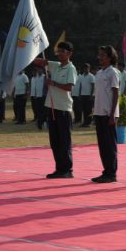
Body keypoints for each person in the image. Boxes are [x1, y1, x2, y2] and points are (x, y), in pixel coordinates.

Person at [34, 42, 77, 178]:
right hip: (52, 107)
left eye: (63, 51)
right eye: (58, 51)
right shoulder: (55, 65)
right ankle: (59, 169)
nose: (59, 54)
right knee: (55, 141)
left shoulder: (71, 68)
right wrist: (30, 49)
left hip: (63, 108)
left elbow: (69, 87)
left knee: (64, 141)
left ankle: (67, 170)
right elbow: (39, 61)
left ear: (70, 53)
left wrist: (52, 83)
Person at [91, 45, 121, 183]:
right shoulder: (99, 73)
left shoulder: (112, 72)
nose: (100, 57)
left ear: (110, 57)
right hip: (98, 113)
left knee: (109, 145)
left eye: (103, 55)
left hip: (108, 114)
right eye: (99, 55)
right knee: (102, 145)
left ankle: (111, 173)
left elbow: (115, 93)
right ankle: (106, 171)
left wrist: (112, 114)